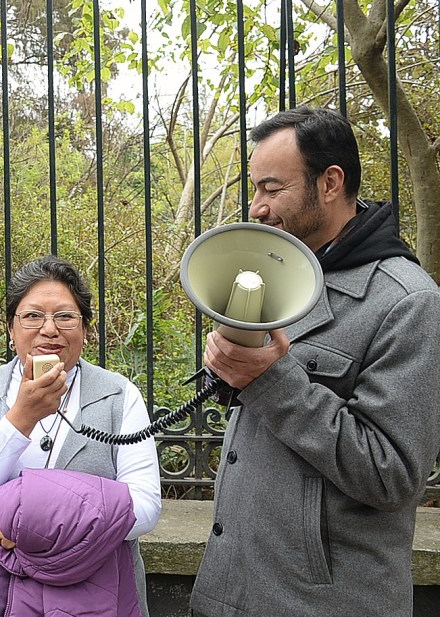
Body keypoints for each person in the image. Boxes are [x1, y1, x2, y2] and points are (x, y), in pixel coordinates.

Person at [189, 106, 440, 616]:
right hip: (232, 589)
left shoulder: (407, 301)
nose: (256, 208)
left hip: (324, 602)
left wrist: (270, 380)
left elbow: (392, 476)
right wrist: (225, 369)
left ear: (330, 183)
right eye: (254, 189)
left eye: (272, 188)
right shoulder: (279, 275)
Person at [0, 256, 162, 617]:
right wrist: (20, 419)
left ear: (85, 330)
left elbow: (144, 509)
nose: (49, 329)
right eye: (32, 316)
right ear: (12, 330)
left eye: (65, 316)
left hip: (98, 598)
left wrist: (29, 525)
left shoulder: (119, 396)